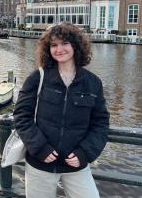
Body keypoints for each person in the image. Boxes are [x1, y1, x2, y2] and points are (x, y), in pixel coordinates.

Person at [13, 22, 109, 198]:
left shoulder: (93, 83)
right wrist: (40, 147)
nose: (59, 49)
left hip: (75, 165)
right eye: (54, 45)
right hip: (40, 164)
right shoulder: (38, 77)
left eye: (65, 43)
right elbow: (21, 115)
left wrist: (85, 153)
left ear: (76, 46)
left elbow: (100, 123)